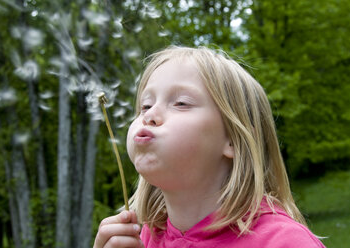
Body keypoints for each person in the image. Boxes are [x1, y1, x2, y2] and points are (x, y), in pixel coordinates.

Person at [93, 46, 326, 248]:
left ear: (234, 140)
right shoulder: (142, 238)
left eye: (181, 103)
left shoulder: (284, 242)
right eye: (145, 105)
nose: (150, 115)